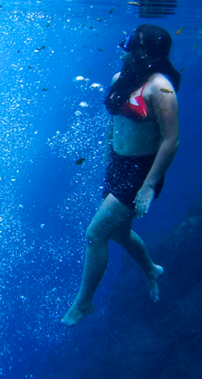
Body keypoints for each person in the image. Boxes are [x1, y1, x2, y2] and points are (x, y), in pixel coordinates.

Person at [62, 24, 180, 327]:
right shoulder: (121, 79)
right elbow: (115, 125)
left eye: (130, 46)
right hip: (118, 164)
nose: (124, 51)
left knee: (95, 234)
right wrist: (107, 151)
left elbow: (171, 140)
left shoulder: (161, 87)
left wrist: (149, 186)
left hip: (142, 172)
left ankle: (84, 302)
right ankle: (151, 268)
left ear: (146, 52)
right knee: (117, 233)